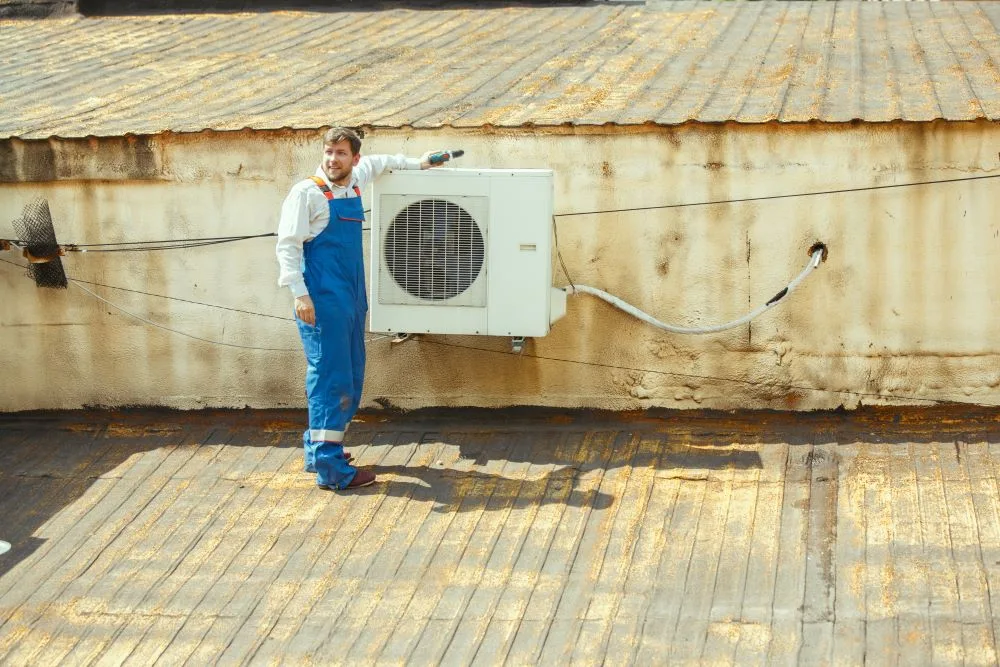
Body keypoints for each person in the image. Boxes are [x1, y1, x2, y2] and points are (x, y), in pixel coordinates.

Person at [276, 127, 441, 490]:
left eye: (340, 153)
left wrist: (419, 163)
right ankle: (331, 469)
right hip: (322, 301)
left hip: (350, 297)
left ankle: (319, 448)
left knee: (351, 372)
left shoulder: (353, 182)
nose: (332, 160)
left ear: (354, 159)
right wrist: (300, 295)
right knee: (330, 377)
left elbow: (382, 163)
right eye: (328, 152)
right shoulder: (307, 193)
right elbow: (288, 246)